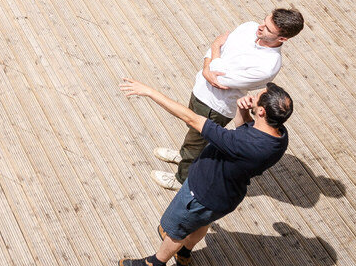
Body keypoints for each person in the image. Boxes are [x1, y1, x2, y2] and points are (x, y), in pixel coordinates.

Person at [117, 80, 293, 266]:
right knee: (201, 224)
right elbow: (246, 130)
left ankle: (155, 262)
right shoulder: (280, 135)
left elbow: (192, 118)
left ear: (262, 111)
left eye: (257, 98)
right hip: (224, 198)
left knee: (175, 231)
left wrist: (149, 91)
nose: (253, 96)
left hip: (200, 193)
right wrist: (243, 111)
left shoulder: (240, 145)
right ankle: (184, 253)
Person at [150, 9, 303, 191]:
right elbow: (214, 62)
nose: (260, 26)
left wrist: (215, 49)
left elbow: (219, 77)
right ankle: (184, 155)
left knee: (197, 140)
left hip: (216, 106)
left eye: (268, 28)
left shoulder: (268, 66)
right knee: (193, 133)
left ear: (283, 39)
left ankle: (181, 179)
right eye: (264, 20)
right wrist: (209, 65)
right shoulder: (249, 27)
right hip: (200, 89)